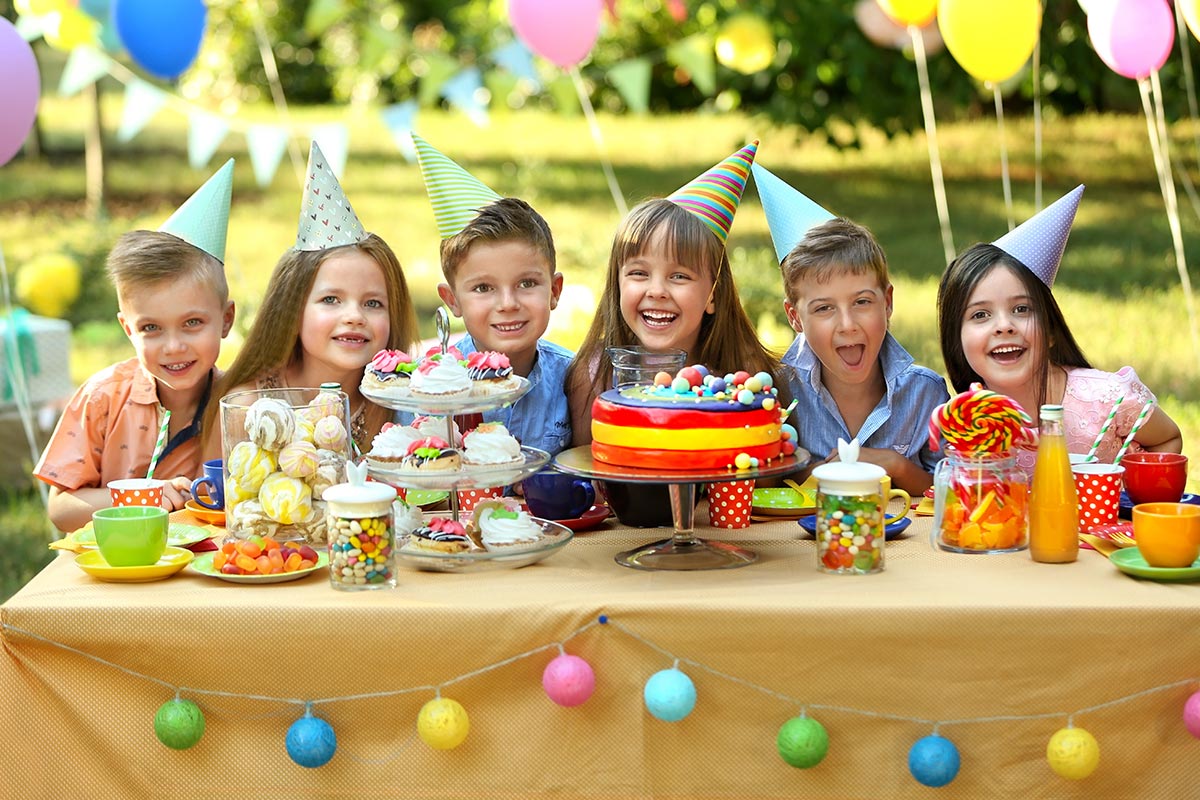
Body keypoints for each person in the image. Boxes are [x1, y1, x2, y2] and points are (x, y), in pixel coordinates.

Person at [35, 160, 238, 532]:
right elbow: (61, 508)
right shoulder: (103, 398)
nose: (174, 346)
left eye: (193, 323)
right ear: (127, 328)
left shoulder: (240, 405)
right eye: (151, 328)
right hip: (116, 568)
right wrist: (144, 496)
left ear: (226, 320)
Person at [937, 184, 1182, 474]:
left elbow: (1168, 438)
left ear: (1051, 330)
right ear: (957, 339)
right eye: (980, 314)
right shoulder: (973, 422)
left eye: (1022, 309)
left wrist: (1124, 498)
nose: (1004, 326)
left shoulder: (1110, 398)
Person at [566, 141, 788, 446]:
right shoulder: (593, 375)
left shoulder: (743, 373)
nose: (657, 291)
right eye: (639, 273)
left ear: (713, 294)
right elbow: (585, 470)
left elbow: (761, 470)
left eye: (679, 276)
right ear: (616, 284)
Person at [204, 142, 418, 457]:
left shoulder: (398, 405)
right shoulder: (248, 407)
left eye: (373, 303)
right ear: (292, 309)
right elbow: (219, 501)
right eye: (331, 299)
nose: (354, 316)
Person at [753, 162, 948, 494]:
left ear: (887, 303)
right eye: (824, 308)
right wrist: (815, 472)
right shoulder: (775, 394)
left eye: (862, 302)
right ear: (795, 317)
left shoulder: (925, 394)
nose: (847, 325)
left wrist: (896, 465)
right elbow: (758, 483)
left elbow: (951, 488)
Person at [409, 135, 572, 455]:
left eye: (526, 283)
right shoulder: (428, 387)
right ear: (452, 299)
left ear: (554, 291)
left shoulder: (575, 381)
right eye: (483, 288)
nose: (508, 304)